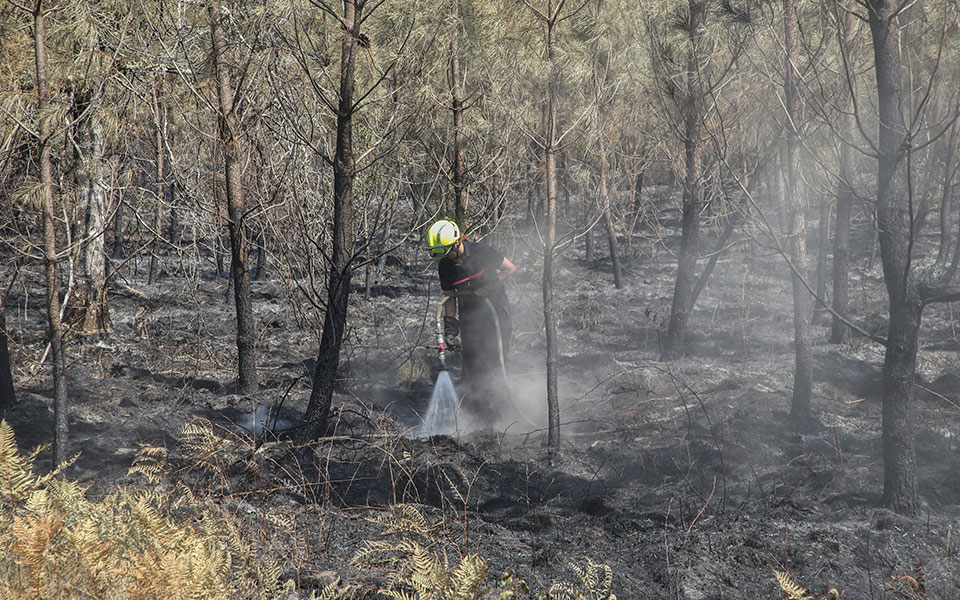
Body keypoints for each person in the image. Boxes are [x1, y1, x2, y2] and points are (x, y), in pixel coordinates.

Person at [426, 219, 516, 421]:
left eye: (447, 251)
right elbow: (449, 297)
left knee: (495, 358)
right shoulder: (445, 267)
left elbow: (510, 268)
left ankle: (500, 407)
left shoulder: (481, 252)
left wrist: (489, 287)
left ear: (457, 242)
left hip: (496, 312)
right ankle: (476, 408)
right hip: (469, 315)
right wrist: (450, 327)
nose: (446, 257)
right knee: (472, 360)